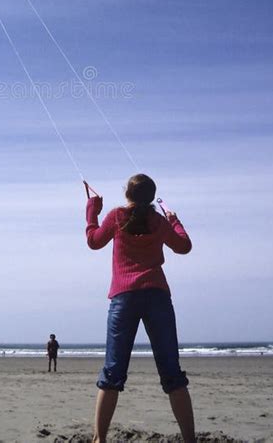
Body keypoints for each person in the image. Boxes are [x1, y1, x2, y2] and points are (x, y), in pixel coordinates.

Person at [85, 173, 196, 443]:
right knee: (172, 373)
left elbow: (94, 241)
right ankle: (190, 440)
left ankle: (100, 439)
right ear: (150, 197)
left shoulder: (116, 217)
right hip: (156, 296)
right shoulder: (158, 221)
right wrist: (174, 219)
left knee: (112, 372)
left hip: (124, 298)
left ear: (127, 195)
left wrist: (91, 212)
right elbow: (184, 246)